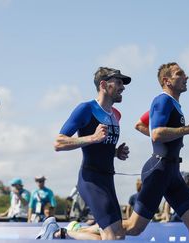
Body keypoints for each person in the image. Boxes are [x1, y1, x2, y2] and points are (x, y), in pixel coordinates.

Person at [43, 67, 131, 240]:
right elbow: (58, 142)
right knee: (111, 236)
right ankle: (58, 232)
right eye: (119, 82)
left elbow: (100, 145)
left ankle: (60, 233)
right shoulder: (86, 109)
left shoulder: (116, 115)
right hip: (91, 179)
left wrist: (114, 152)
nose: (123, 87)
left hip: (108, 179)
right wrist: (92, 137)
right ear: (104, 85)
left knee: (118, 235)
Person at [123, 62, 189, 240]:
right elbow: (156, 134)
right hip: (159, 170)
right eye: (180, 74)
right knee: (133, 227)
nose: (186, 77)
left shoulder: (172, 104)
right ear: (167, 81)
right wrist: (187, 130)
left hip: (173, 173)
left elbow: (140, 124)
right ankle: (72, 231)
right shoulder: (162, 100)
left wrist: (179, 132)